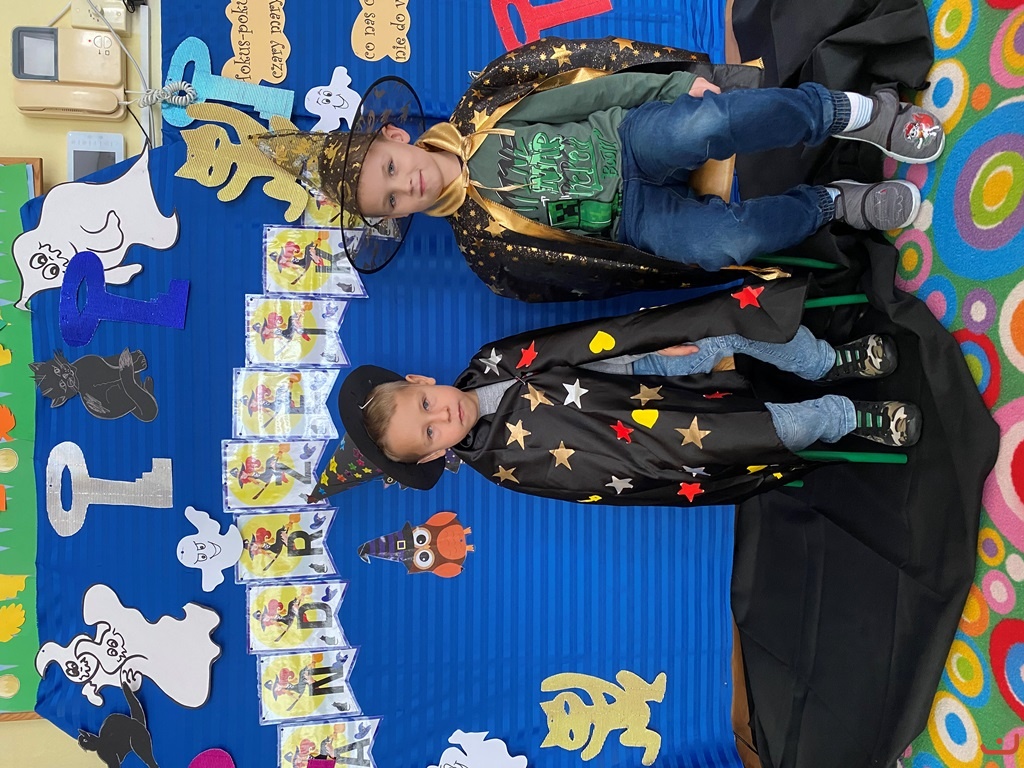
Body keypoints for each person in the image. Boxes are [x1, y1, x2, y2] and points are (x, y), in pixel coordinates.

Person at [255, 37, 945, 302]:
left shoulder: (485, 109)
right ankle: (833, 204)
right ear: (397, 218)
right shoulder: (481, 247)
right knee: (723, 242)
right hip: (633, 220)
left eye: (391, 167)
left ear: (396, 137)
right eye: (391, 200)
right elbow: (581, 274)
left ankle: (850, 112)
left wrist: (673, 86)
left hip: (630, 140)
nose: (406, 184)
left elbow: (590, 87)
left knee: (708, 124)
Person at [335, 279, 921, 507]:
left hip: (641, 364)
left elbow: (576, 344)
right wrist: (670, 456)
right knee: (766, 432)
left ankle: (827, 363)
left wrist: (652, 340)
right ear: (436, 455)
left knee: (730, 326)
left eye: (425, 404)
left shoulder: (489, 359)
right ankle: (846, 416)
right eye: (430, 432)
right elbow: (598, 471)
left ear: (421, 382)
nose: (442, 414)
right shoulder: (502, 465)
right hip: (660, 437)